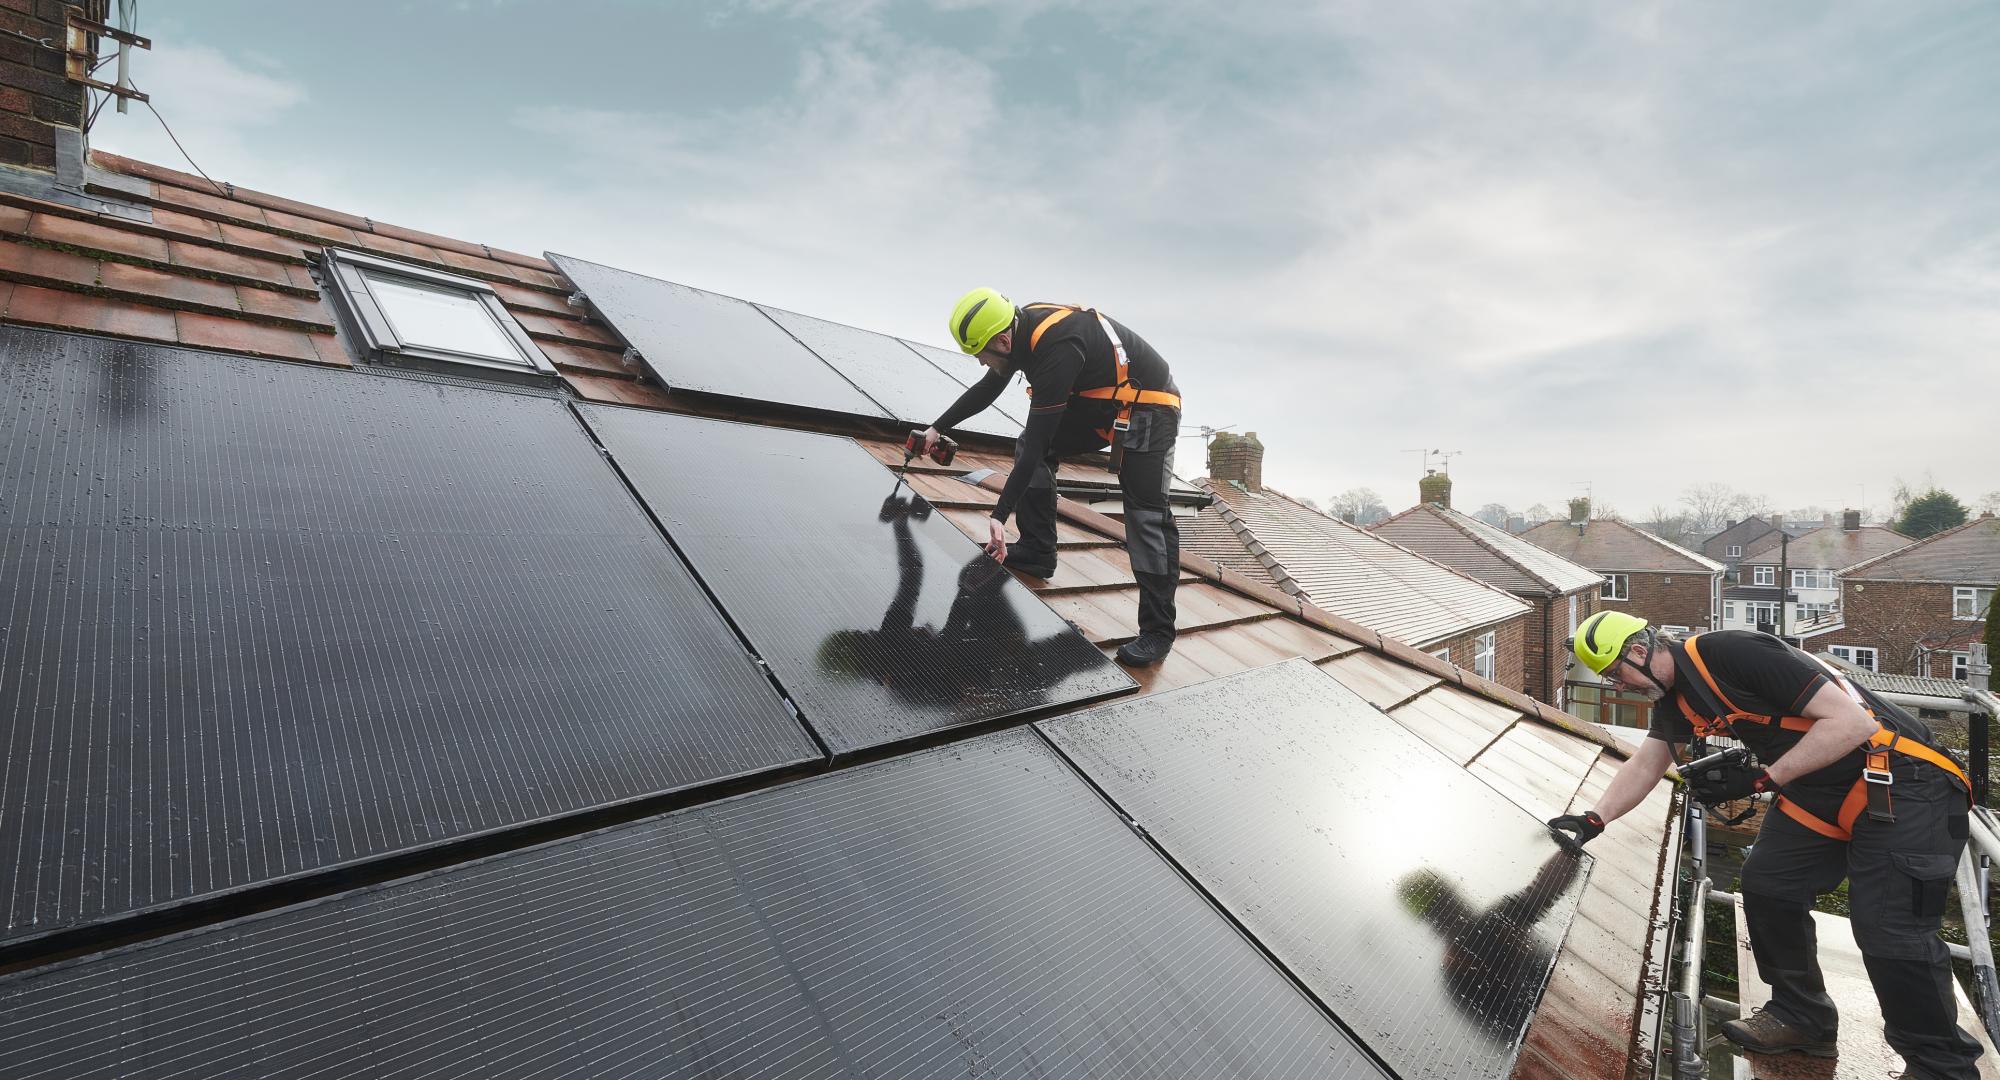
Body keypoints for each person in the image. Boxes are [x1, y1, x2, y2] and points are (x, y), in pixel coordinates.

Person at [1548, 611, 1980, 1079]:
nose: (1617, 686)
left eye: (1616, 674)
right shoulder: (1677, 700)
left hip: (1907, 786)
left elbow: (1851, 723)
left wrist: (1762, 779)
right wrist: (1595, 819)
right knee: (1769, 886)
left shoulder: (1733, 653)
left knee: (1890, 929)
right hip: (1818, 792)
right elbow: (1648, 763)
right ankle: (1802, 1018)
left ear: (1639, 650)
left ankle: (1941, 1066)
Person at [920, 287, 1182, 667]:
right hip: (1103, 406)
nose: (980, 363)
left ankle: (1158, 631)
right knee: (1029, 446)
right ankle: (1039, 550)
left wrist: (999, 515)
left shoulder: (1057, 348)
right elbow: (988, 388)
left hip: (1148, 409)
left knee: (1146, 515)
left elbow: (1043, 439)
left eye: (981, 354)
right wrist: (936, 428)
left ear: (1003, 340)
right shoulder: (1018, 329)